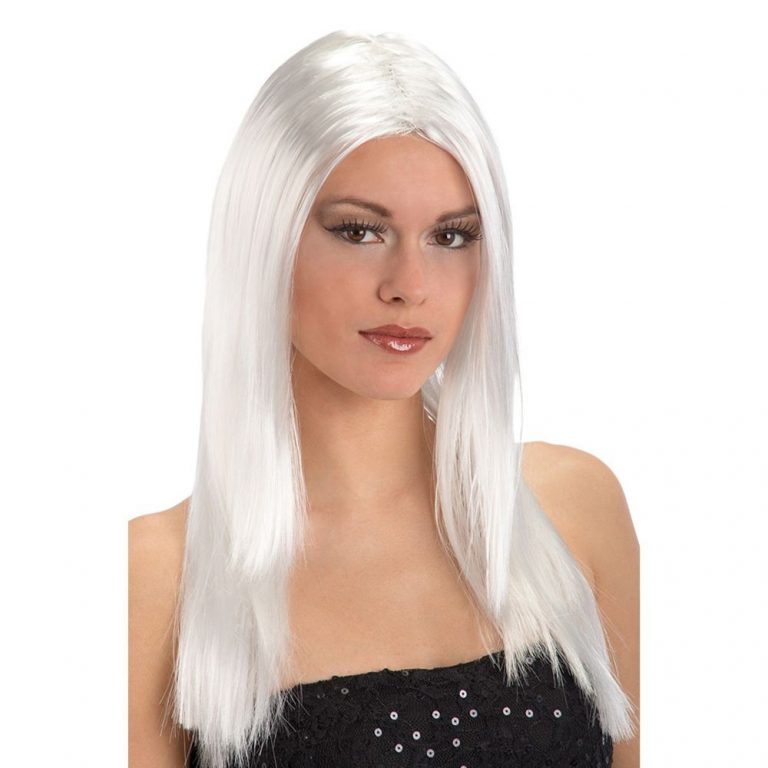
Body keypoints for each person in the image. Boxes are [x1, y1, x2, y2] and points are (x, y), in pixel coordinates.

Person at [129, 30, 639, 768]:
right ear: (264, 236)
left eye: (451, 237)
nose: (410, 285)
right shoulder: (160, 579)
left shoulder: (573, 511)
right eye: (360, 231)